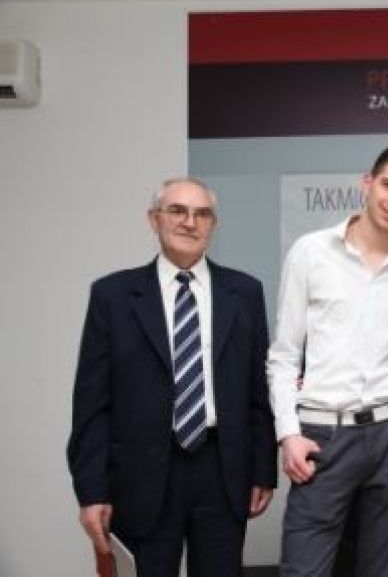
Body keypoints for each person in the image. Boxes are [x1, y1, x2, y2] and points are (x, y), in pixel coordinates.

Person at [67, 177, 277, 577]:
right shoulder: (112, 296)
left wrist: (263, 470)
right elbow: (91, 406)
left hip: (222, 471)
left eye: (202, 214)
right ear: (154, 219)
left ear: (213, 224)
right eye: (177, 211)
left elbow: (258, 391)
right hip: (140, 474)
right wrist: (91, 491)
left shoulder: (245, 292)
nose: (189, 222)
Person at [268, 143, 388, 577]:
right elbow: (283, 356)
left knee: (384, 570)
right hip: (324, 435)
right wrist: (288, 434)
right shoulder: (311, 252)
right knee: (304, 571)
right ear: (367, 183)